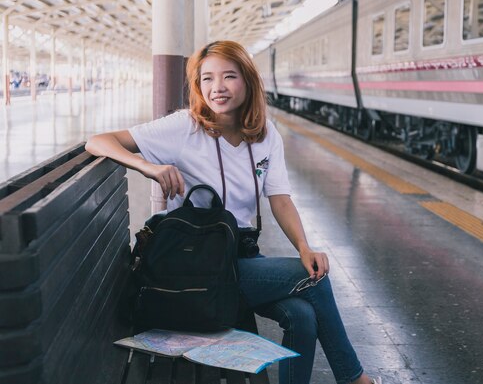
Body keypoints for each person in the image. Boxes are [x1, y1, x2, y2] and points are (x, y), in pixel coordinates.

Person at [86, 40, 382, 384]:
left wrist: (304, 247)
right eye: (207, 79)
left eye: (229, 76)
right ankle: (354, 378)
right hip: (199, 265)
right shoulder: (184, 127)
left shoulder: (266, 135)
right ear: (197, 85)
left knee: (302, 315)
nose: (218, 88)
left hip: (242, 256)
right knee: (314, 281)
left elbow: (280, 198)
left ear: (248, 81)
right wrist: (146, 165)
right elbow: (98, 140)